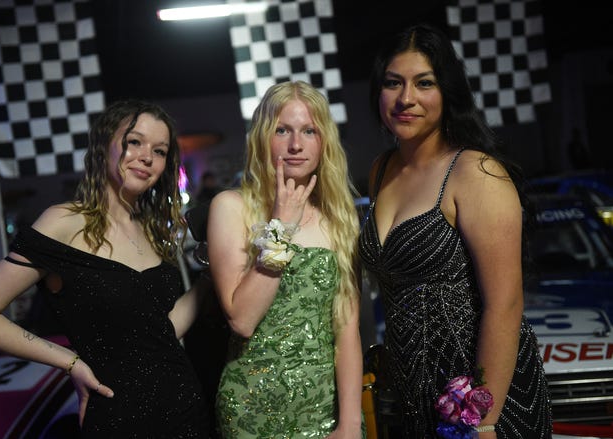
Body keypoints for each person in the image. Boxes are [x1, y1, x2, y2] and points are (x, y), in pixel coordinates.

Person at [0, 100, 211, 438]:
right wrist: (70, 362)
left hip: (186, 408)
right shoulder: (65, 222)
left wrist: (209, 280)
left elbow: (160, 331)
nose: (147, 156)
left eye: (160, 151)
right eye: (134, 141)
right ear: (104, 145)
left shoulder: (151, 230)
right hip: (119, 418)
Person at [358, 24, 552, 438]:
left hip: (483, 400)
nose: (406, 98)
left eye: (423, 83)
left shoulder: (476, 173)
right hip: (414, 398)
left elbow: (505, 305)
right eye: (393, 83)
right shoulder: (381, 170)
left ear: (447, 92)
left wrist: (483, 421)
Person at [207, 80, 364, 438]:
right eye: (283, 130)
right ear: (263, 137)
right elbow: (242, 319)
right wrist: (280, 226)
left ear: (324, 141)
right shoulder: (231, 208)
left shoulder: (339, 219)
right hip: (251, 412)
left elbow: (346, 328)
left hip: (326, 412)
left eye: (309, 131)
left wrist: (350, 422)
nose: (296, 145)